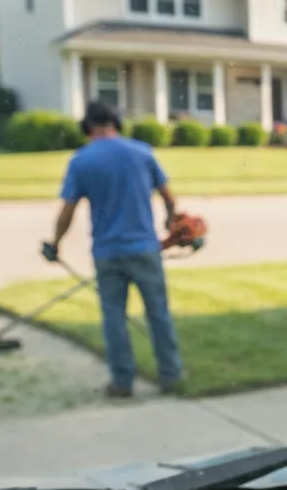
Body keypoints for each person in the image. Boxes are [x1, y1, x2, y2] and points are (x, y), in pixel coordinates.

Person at [43, 101, 184, 398]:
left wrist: (55, 243)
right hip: (144, 248)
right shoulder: (143, 152)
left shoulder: (81, 161)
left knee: (114, 317)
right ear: (116, 123)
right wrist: (170, 223)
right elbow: (170, 198)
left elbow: (68, 210)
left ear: (87, 128)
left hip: (107, 251)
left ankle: (122, 381)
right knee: (158, 313)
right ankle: (171, 375)